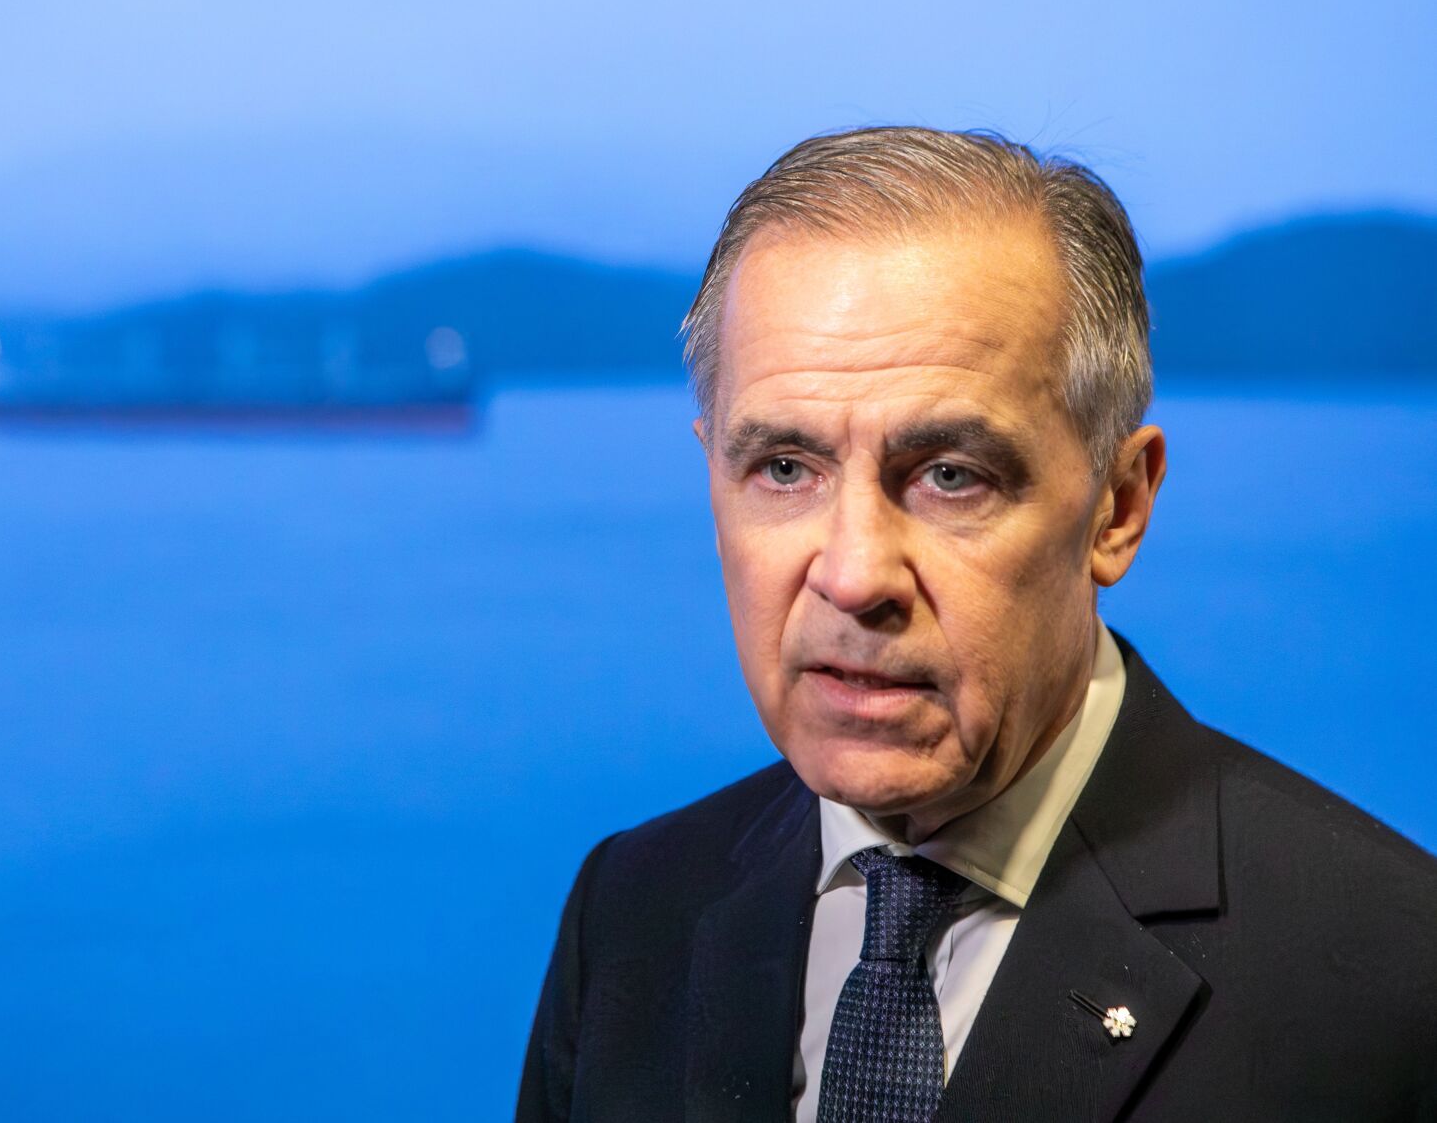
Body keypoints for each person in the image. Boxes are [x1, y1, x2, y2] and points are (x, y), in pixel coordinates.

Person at [515, 127, 1437, 1123]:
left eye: (950, 476)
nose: (853, 575)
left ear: (1117, 506)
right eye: (783, 468)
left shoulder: (1392, 979)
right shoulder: (630, 909)